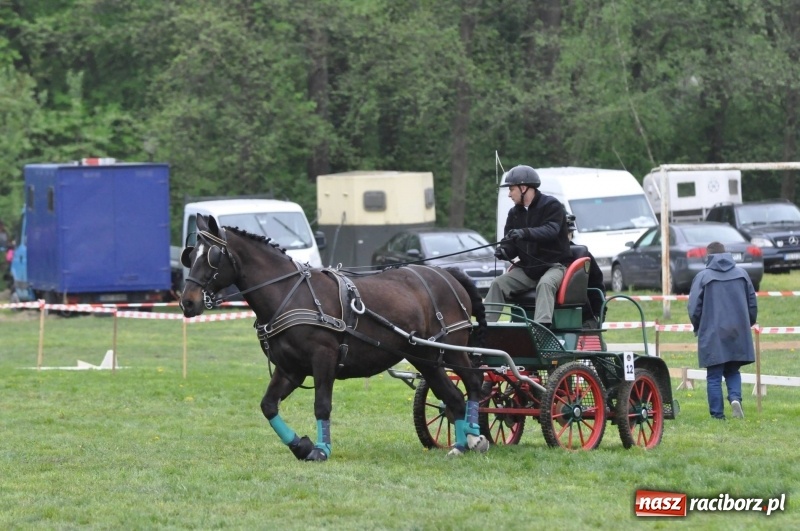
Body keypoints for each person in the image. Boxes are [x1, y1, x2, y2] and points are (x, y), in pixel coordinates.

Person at [486, 165, 572, 327]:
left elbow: (551, 231)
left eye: (511, 189)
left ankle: (541, 329)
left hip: (554, 266)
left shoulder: (551, 205)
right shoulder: (514, 213)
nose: (509, 194)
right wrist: (504, 251)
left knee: (545, 284)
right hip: (528, 269)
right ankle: (485, 329)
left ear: (523, 188)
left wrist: (525, 233)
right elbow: (510, 244)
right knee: (498, 283)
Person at [688, 241, 758, 420]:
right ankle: (735, 399)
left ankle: (718, 415)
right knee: (733, 371)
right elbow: (752, 303)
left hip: (712, 332)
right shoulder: (742, 274)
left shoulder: (703, 277)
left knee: (714, 376)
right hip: (737, 330)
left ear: (709, 256)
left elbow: (694, 307)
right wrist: (747, 323)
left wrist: (698, 326)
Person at [566, 214, 606, 328]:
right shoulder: (543, 255)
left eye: (568, 233)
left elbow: (596, 283)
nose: (566, 237)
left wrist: (599, 312)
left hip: (582, 314)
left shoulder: (582, 255)